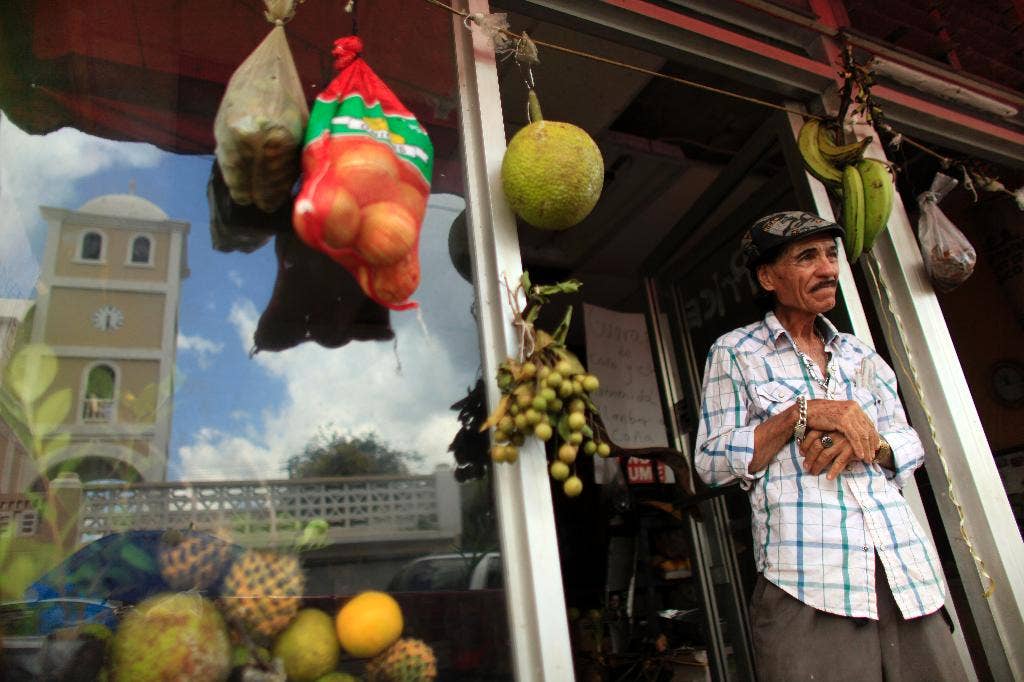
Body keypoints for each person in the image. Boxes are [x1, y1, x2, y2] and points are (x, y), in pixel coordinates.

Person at [694, 211, 967, 681]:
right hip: (807, 580)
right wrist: (801, 414)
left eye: (831, 254)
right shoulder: (735, 352)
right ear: (767, 277)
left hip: (902, 570)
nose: (829, 269)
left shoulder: (861, 354)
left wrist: (870, 442)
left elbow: (908, 439)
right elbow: (711, 462)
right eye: (807, 257)